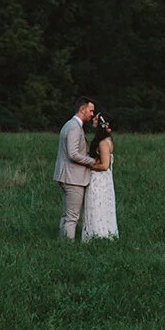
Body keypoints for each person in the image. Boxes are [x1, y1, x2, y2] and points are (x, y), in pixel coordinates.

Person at [53, 96, 99, 239]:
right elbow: (73, 153)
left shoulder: (69, 125)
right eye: (91, 111)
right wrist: (92, 161)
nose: (92, 114)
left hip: (68, 176)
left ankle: (62, 244)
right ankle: (68, 247)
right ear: (82, 109)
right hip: (73, 178)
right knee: (72, 217)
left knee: (67, 214)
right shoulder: (74, 127)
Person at [80, 112, 118, 240]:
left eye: (96, 119)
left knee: (96, 204)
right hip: (102, 179)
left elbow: (105, 165)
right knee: (97, 205)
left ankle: (98, 234)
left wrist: (89, 166)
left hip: (99, 180)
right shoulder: (104, 140)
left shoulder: (103, 143)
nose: (93, 120)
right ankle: (99, 233)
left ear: (101, 124)